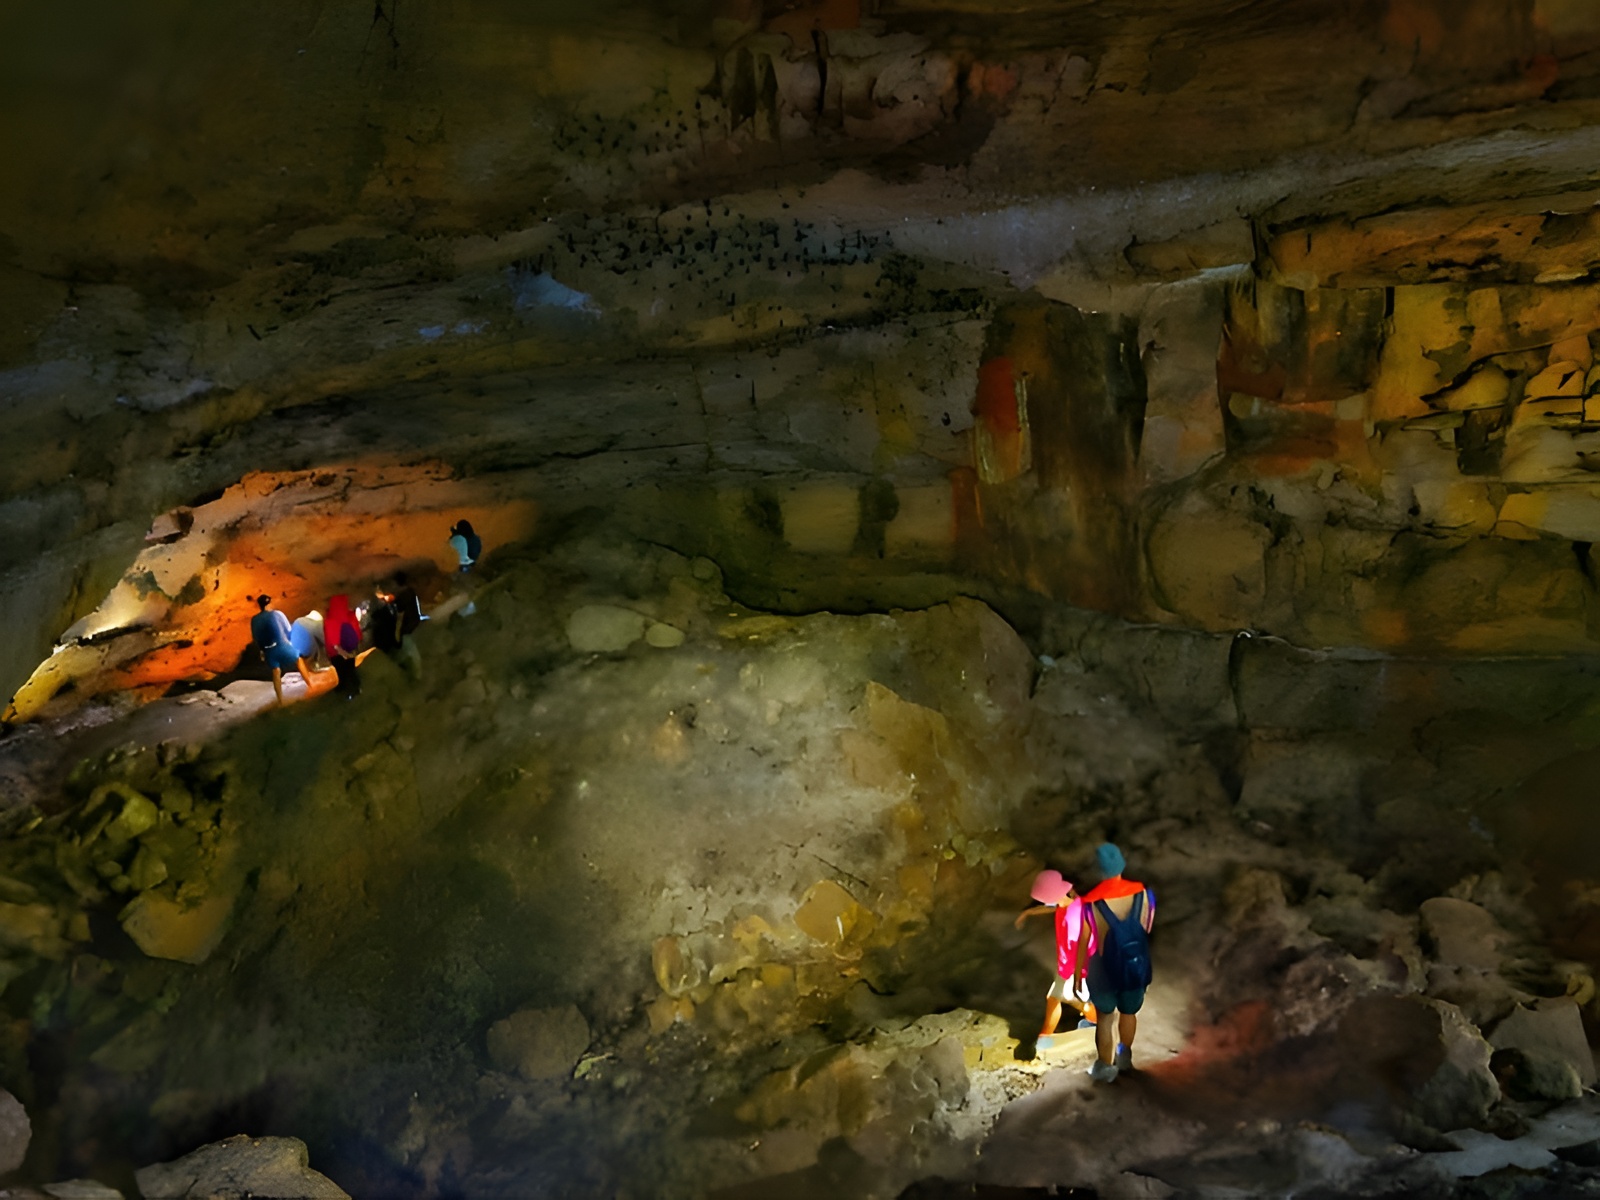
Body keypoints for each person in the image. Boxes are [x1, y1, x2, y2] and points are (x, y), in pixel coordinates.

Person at [1072, 843, 1155, 1083]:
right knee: (1129, 1013)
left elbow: (1084, 940)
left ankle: (1104, 1068)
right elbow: (1146, 926)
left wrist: (1078, 974)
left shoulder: (1089, 902)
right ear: (1121, 864)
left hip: (1103, 971)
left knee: (1105, 1019)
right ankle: (1124, 1057)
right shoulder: (1142, 893)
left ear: (1099, 870)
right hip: (1134, 966)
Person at [1015, 869, 1098, 1051]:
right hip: (1067, 964)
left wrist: (1077, 975)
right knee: (1070, 1000)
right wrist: (1028, 913)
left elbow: (1082, 945)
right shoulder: (1067, 903)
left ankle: (1045, 1038)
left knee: (1060, 999)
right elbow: (1050, 907)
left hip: (1076, 967)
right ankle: (1093, 1021)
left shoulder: (1074, 916)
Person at [249, 594, 320, 706]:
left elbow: (256, 637)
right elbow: (288, 629)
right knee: (298, 659)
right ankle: (311, 684)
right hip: (282, 646)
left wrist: (262, 650)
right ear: (270, 603)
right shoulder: (277, 614)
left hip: (269, 651)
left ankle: (280, 700)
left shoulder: (254, 620)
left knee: (276, 671)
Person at [325, 594, 362, 698]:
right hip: (350, 650)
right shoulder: (350, 616)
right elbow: (358, 633)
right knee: (351, 670)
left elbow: (334, 644)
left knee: (342, 672)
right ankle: (356, 687)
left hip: (337, 654)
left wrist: (344, 655)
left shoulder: (330, 621)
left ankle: (347, 690)